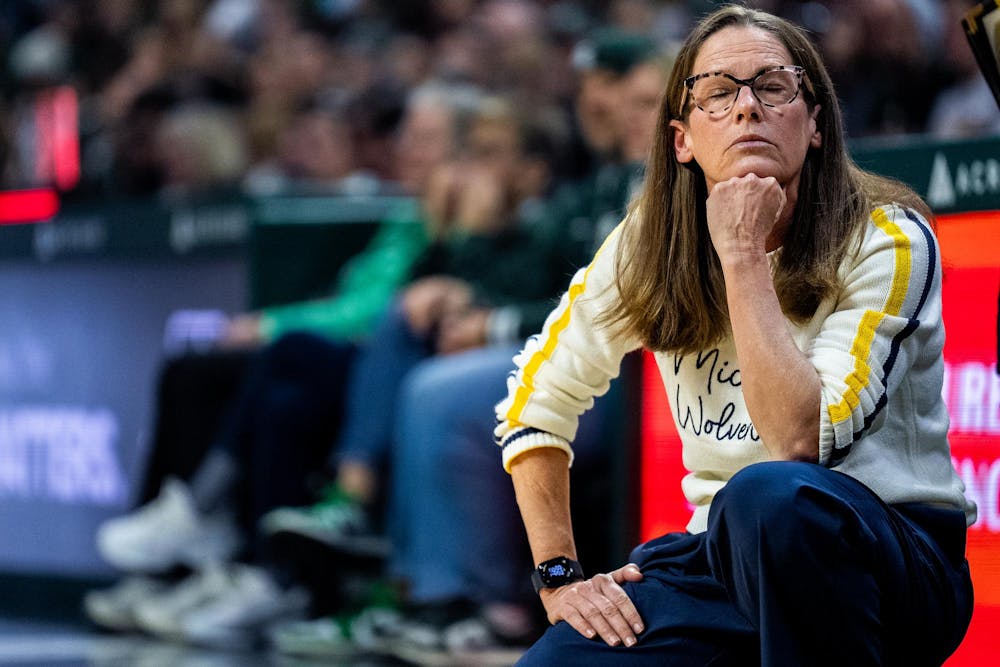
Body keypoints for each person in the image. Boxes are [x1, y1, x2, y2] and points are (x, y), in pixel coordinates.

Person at [494, 6, 975, 666]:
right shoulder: (649, 242)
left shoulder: (886, 237)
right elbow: (534, 403)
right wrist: (559, 576)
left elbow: (802, 444)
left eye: (773, 86)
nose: (747, 107)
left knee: (768, 497)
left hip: (894, 557)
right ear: (682, 139)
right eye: (718, 93)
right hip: (722, 557)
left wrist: (742, 255)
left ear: (814, 124)